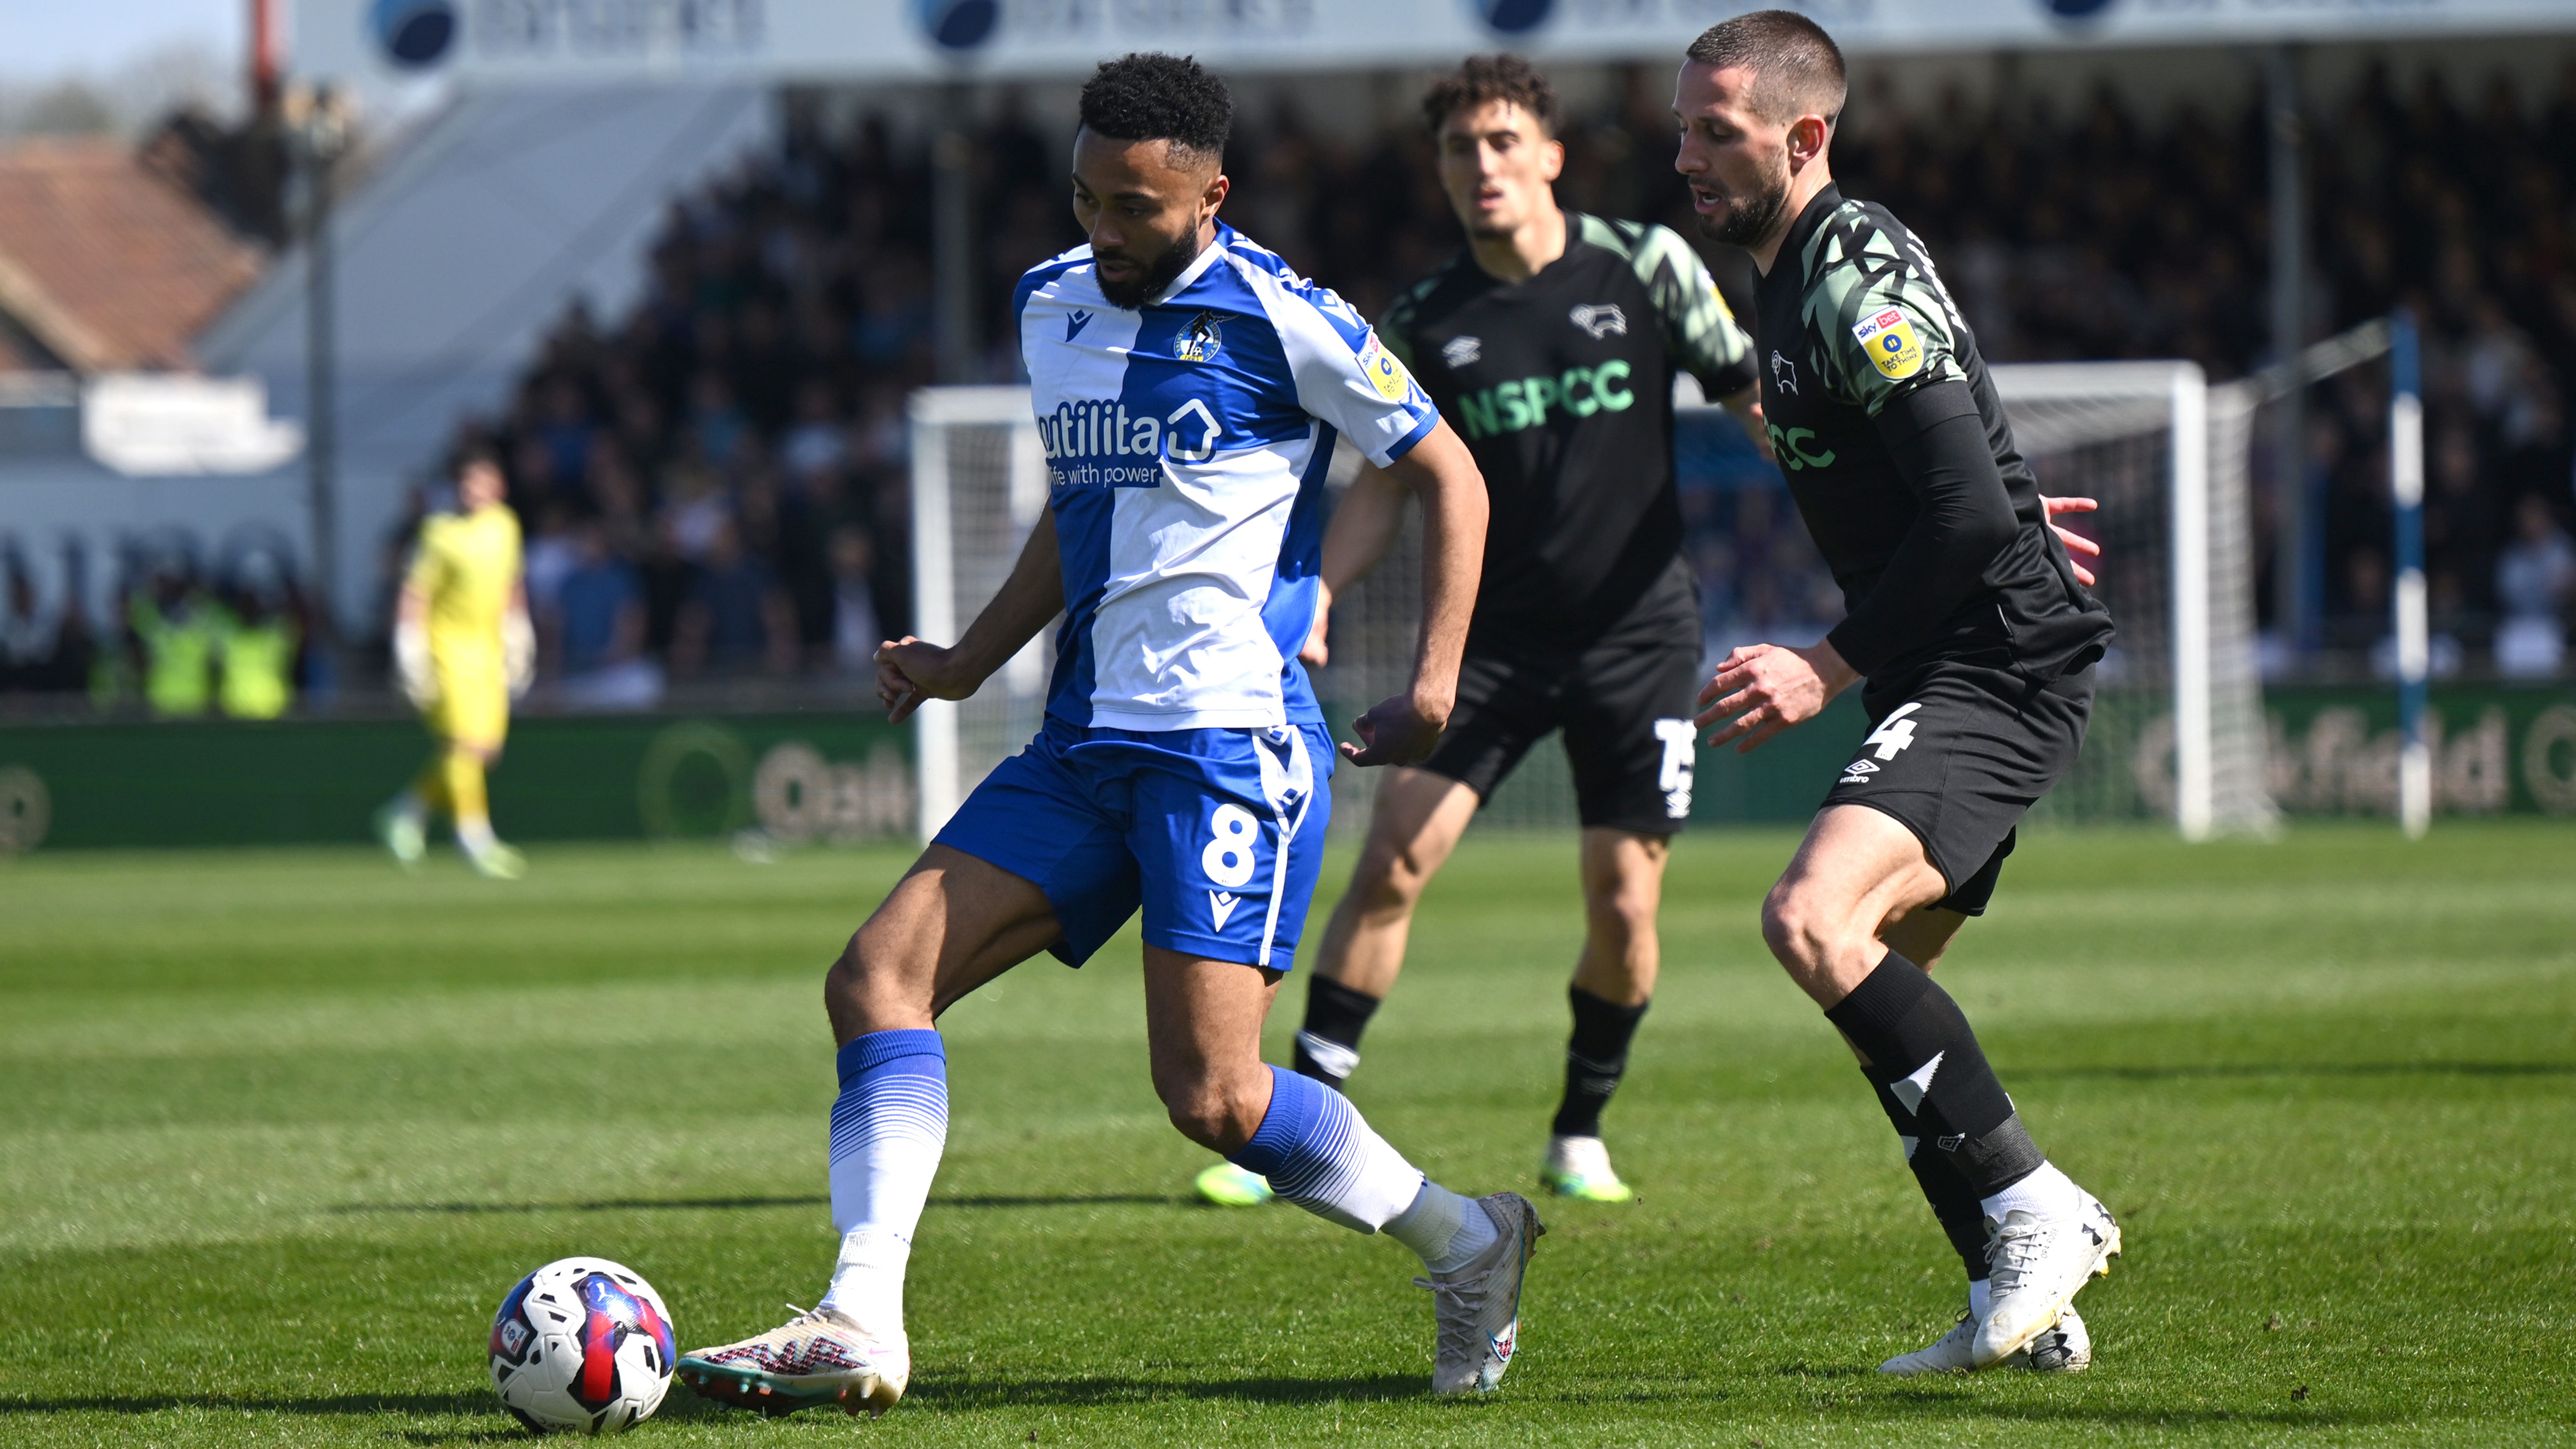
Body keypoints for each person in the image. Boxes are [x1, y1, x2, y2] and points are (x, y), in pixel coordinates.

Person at [676, 53, 1541, 1416]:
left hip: (1225, 753)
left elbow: (1451, 474)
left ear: (1211, 196)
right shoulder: (1050, 302)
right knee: (875, 981)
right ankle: (860, 1315)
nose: (1103, 230)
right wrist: (969, 661)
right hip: (1082, 745)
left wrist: (1434, 680)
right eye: (1087, 197)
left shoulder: (1282, 313)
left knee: (1212, 1098)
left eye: (1135, 206)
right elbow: (1078, 517)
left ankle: (1469, 1239)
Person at [1196, 53, 2101, 1214]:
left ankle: (1579, 1127)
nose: (1482, 167)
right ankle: (1297, 1121)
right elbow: (1387, 472)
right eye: (1459, 149)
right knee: (1395, 859)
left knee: (1627, 901)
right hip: (1494, 642)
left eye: (1503, 143)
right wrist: (1316, 579)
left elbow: (1770, 406)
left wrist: (1970, 505)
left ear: (1552, 155)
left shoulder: (1652, 267)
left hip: (1637, 635)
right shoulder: (1424, 317)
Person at [1675, 12, 2120, 1375]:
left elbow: (1964, 506)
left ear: (1805, 137)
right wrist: (1993, 500)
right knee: (1880, 977)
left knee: (1809, 918)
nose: (1686, 156)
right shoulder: (1779, 278)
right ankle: (2016, 1295)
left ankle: (2044, 1215)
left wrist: (1823, 661)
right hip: (1957, 650)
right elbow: (1952, 468)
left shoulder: (1850, 257)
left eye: (1717, 133)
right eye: (1682, 129)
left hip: (1991, 655)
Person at [374, 451, 535, 879]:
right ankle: (475, 840)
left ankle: (407, 811)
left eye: (482, 482)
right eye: (467, 483)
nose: (473, 491)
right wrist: (410, 647)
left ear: (498, 487)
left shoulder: (506, 526)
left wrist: (519, 632)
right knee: (463, 744)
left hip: (487, 648)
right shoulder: (439, 532)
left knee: (483, 752)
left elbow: (510, 583)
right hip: (447, 646)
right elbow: (416, 593)